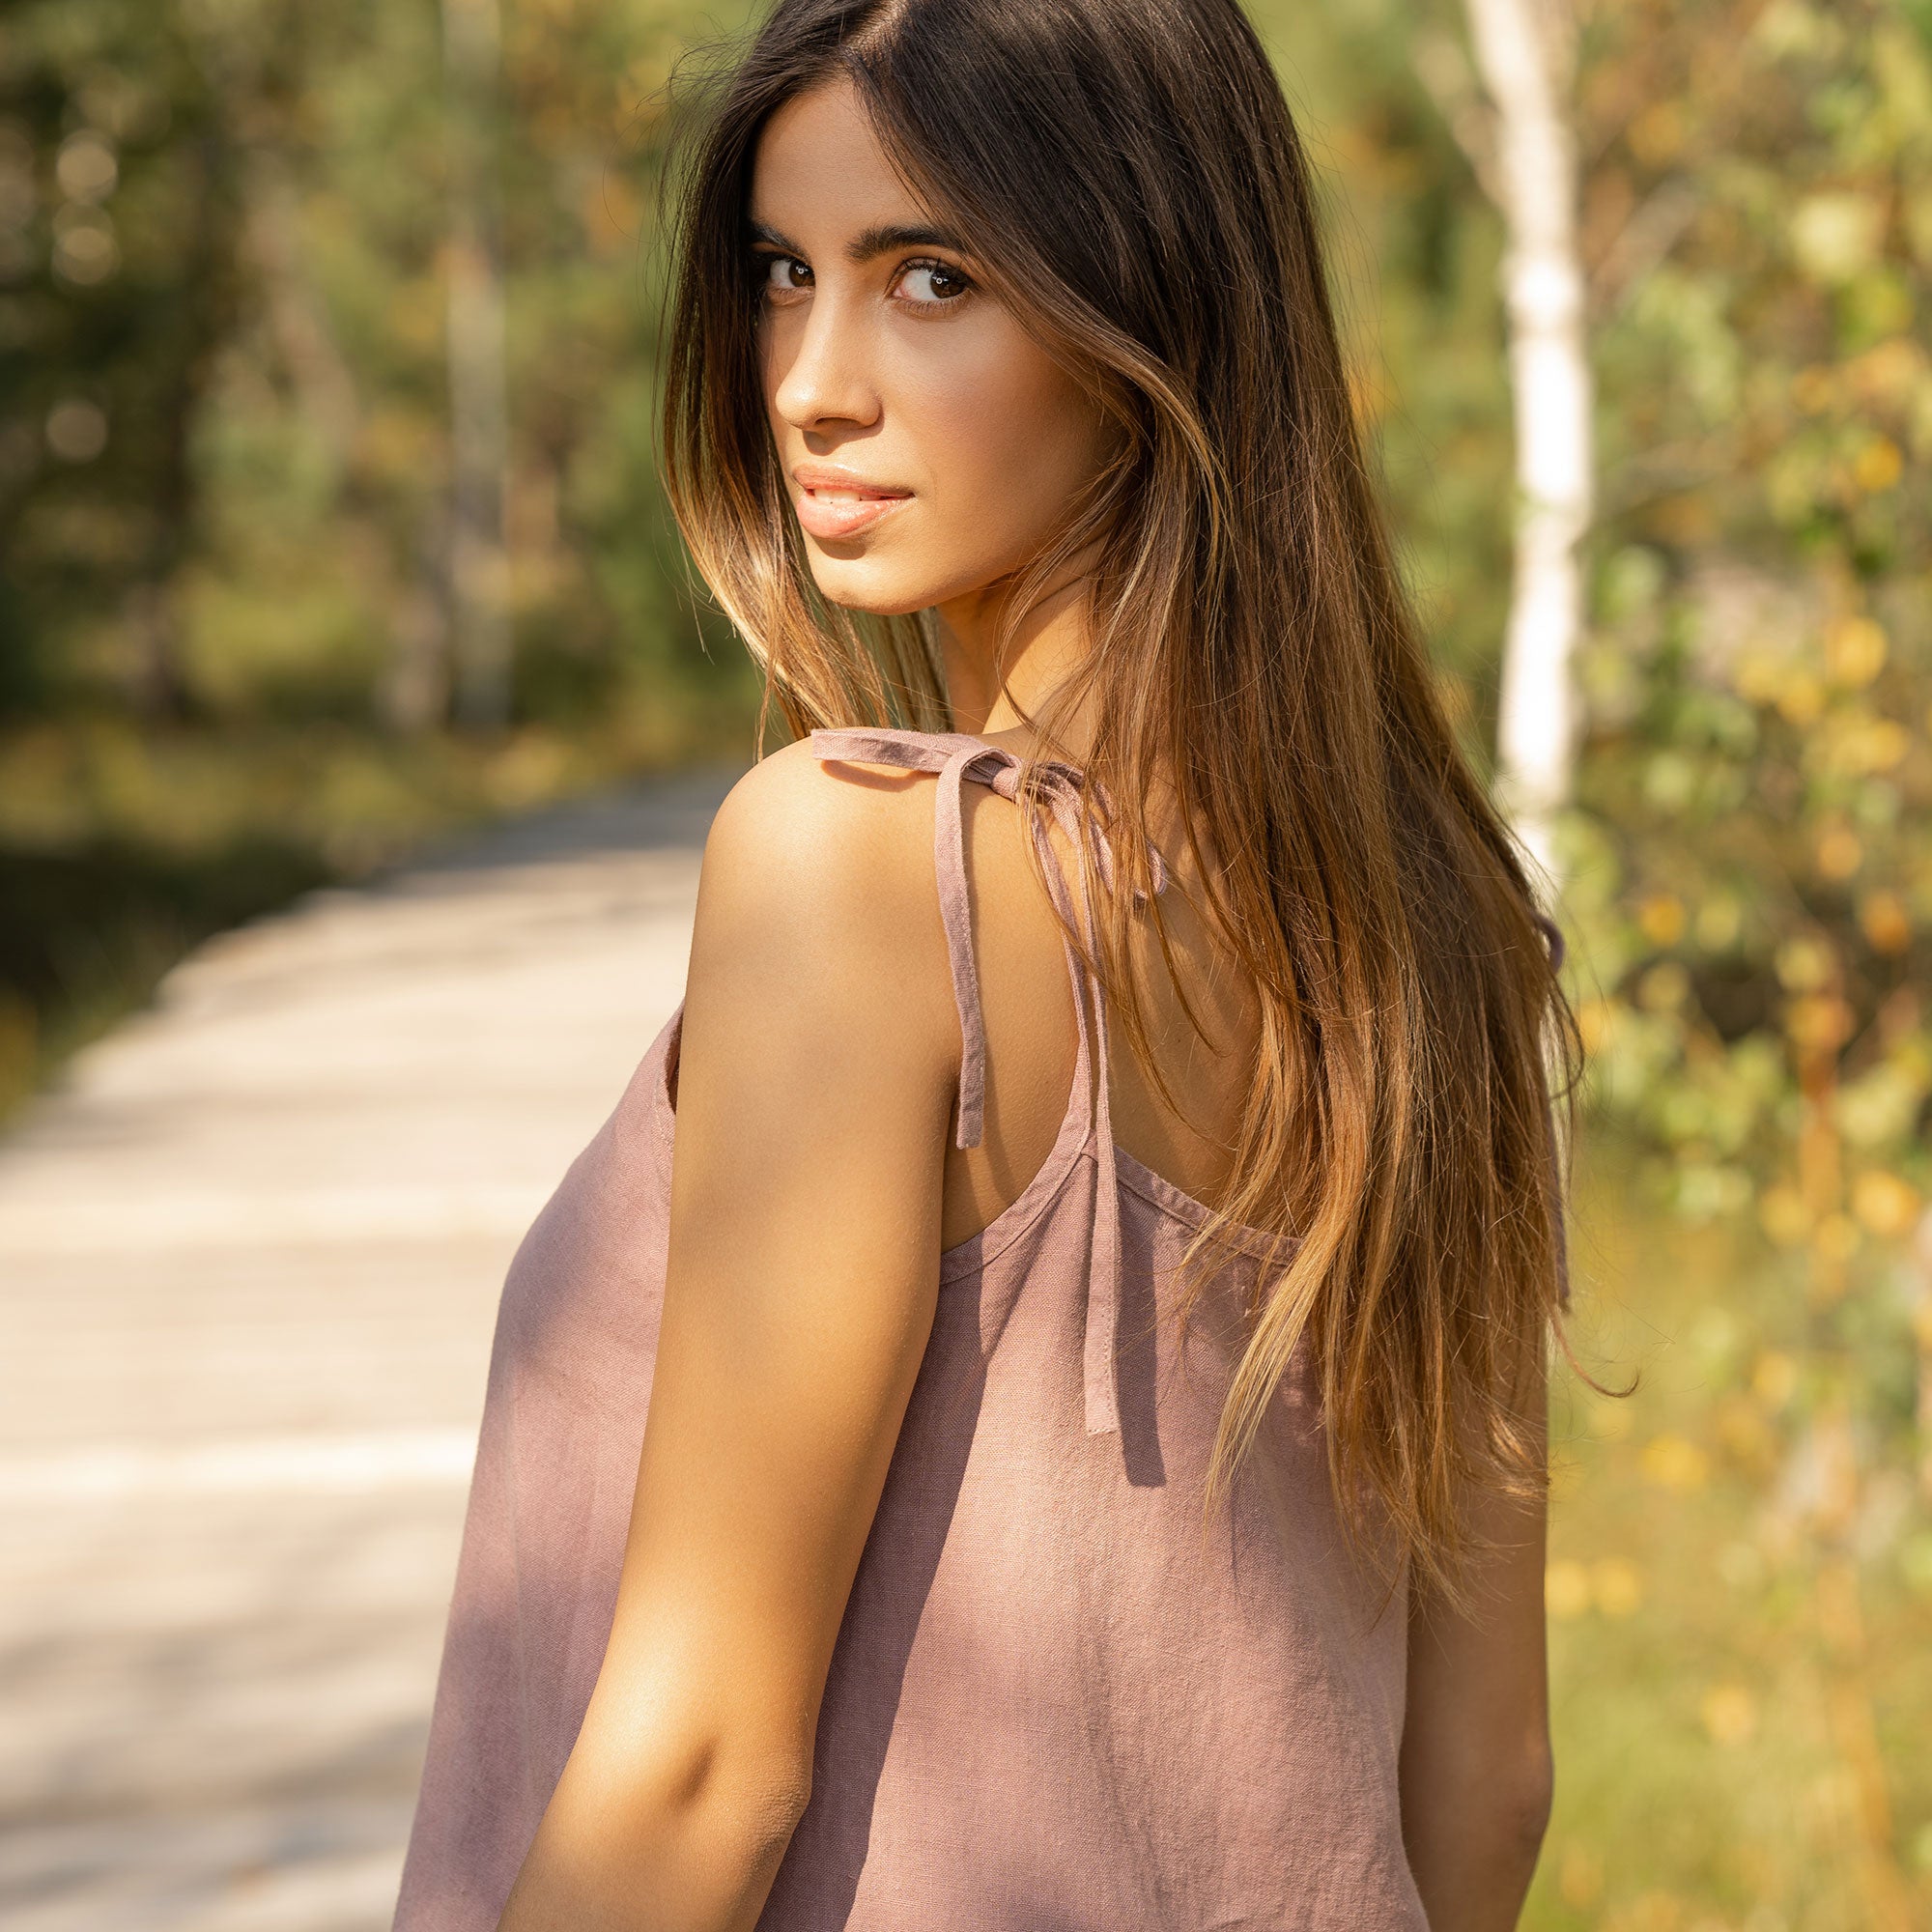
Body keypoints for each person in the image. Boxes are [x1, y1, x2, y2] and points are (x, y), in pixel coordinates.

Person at [392, 0, 1580, 1926]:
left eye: (928, 278)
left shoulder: (860, 868)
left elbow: (703, 1764)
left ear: (1152, 321)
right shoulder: (1438, 943)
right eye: (785, 275)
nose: (808, 381)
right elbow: (1487, 1777)